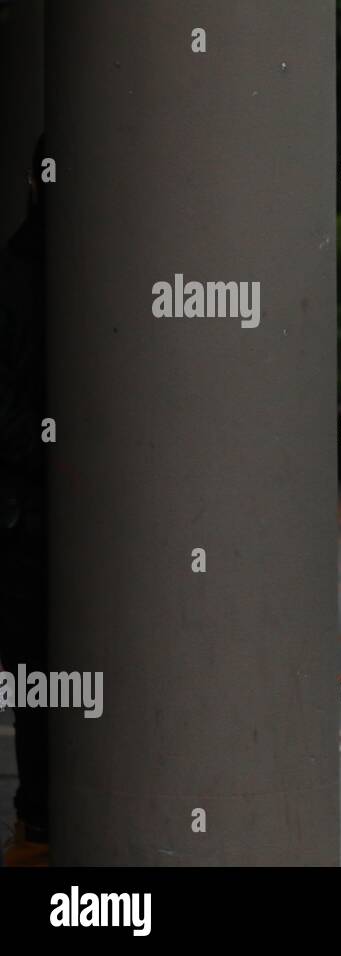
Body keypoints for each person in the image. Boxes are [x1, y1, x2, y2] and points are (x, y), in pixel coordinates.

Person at [0, 134, 49, 867]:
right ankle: (39, 823)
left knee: (42, 677)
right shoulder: (27, 277)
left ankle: (39, 824)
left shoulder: (18, 270)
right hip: (42, 512)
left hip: (35, 513)